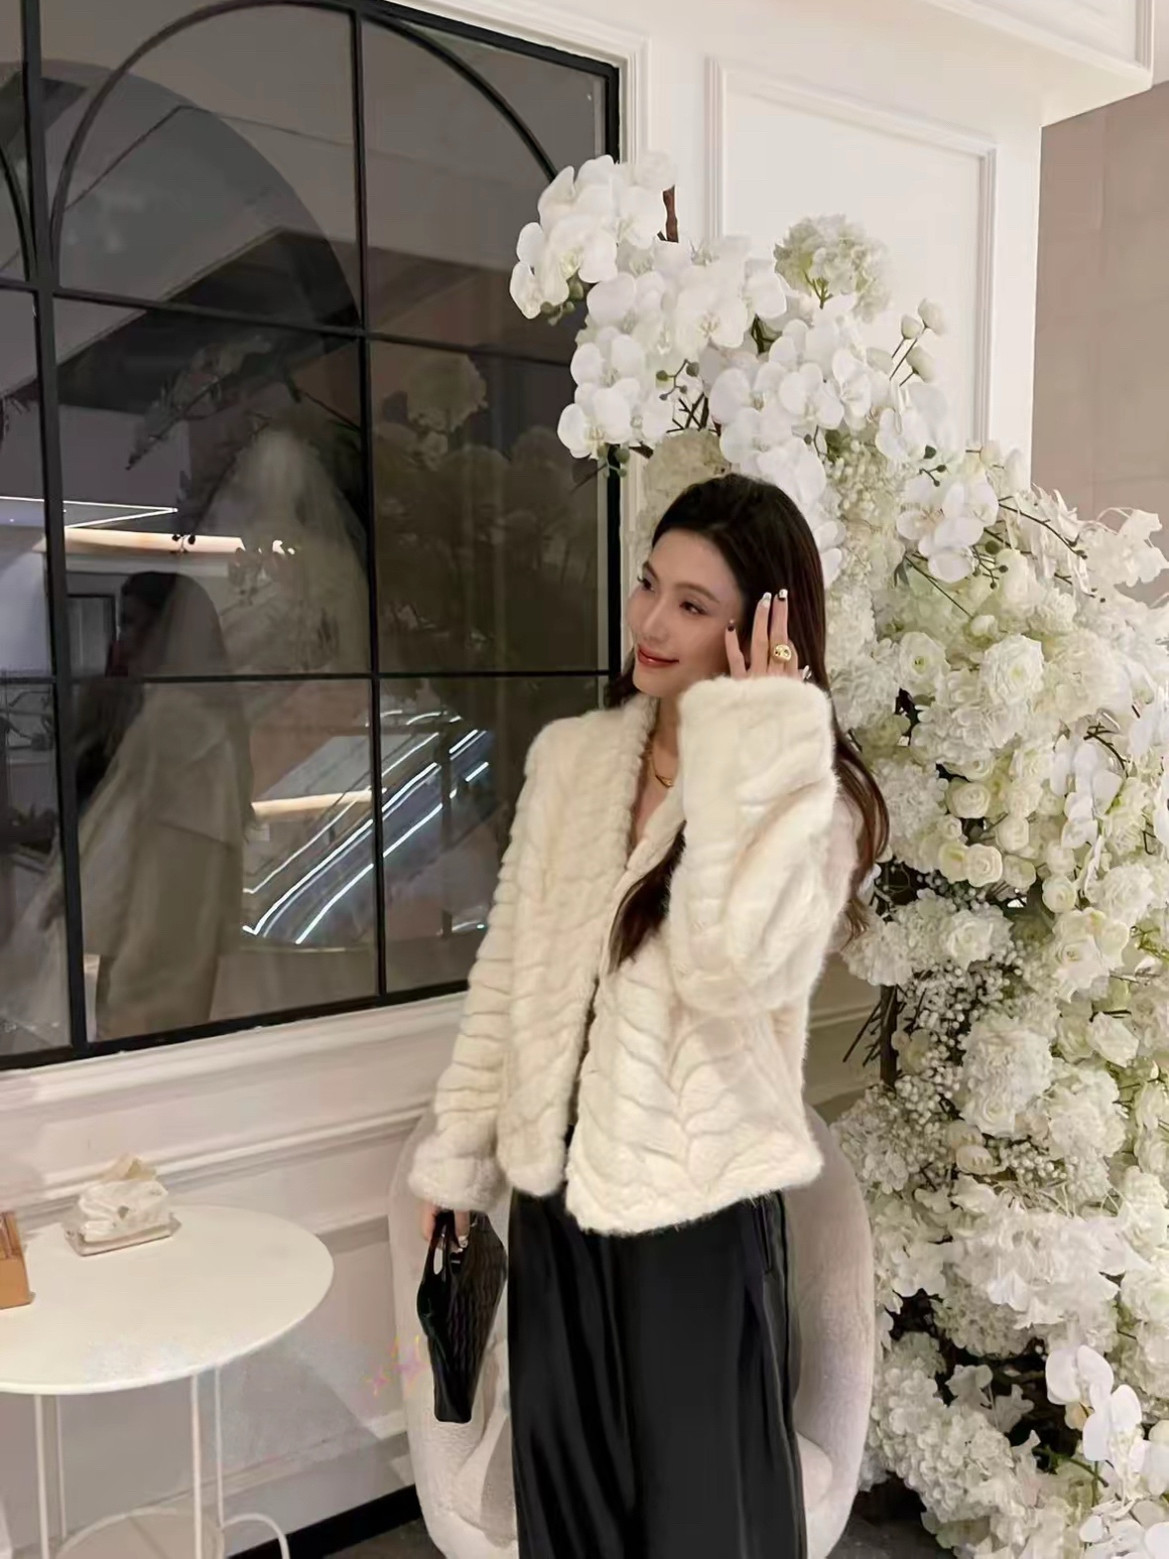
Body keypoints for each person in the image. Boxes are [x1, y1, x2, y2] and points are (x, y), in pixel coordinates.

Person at [408, 473, 887, 1559]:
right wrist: (461, 1166)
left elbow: (731, 971)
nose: (652, 621)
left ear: (761, 629)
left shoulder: (809, 796)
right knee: (569, 1512)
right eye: (647, 584)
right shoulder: (577, 762)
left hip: (693, 1225)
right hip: (557, 1204)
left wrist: (753, 747)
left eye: (692, 603)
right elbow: (511, 977)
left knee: (696, 1523)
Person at [0, 572, 253, 1051]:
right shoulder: (180, 710)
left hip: (161, 926)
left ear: (168, 632)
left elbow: (158, 853)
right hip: (163, 923)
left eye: (133, 624)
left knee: (142, 1033)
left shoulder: (177, 718)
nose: (123, 640)